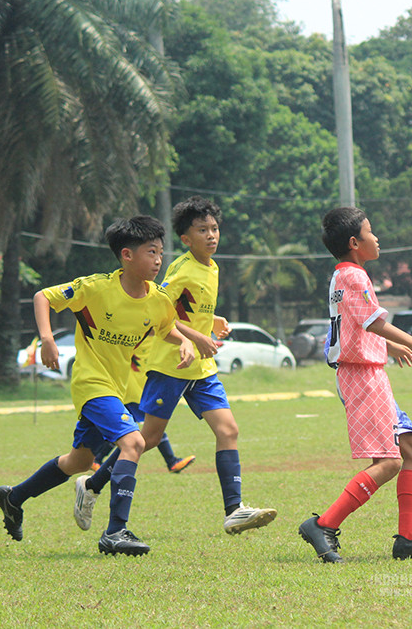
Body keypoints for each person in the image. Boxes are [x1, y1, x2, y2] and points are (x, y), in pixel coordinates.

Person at [0, 215, 195, 555]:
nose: (158, 260)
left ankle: (14, 497)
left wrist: (185, 342)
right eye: (151, 252)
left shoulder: (158, 299)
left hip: (121, 389)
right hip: (91, 384)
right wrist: (47, 339)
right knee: (134, 442)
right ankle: (116, 531)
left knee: (79, 461)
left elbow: (166, 328)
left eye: (161, 252)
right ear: (127, 255)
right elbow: (43, 297)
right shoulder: (95, 288)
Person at [74, 197, 276, 535]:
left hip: (201, 369)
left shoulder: (213, 267)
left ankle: (234, 510)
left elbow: (189, 309)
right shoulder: (181, 269)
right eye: (202, 230)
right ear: (185, 238)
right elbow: (159, 312)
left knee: (228, 430)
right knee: (148, 438)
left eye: (214, 228)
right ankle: (92, 486)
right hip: (170, 366)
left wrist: (212, 320)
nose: (211, 235)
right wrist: (197, 337)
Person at [298, 206, 412, 563]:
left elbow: (354, 325)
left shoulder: (344, 275)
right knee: (389, 462)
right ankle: (323, 525)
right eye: (370, 231)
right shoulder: (354, 276)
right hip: (362, 377)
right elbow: (372, 322)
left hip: (367, 373)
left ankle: (408, 538)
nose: (377, 238)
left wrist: (389, 347)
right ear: (354, 242)